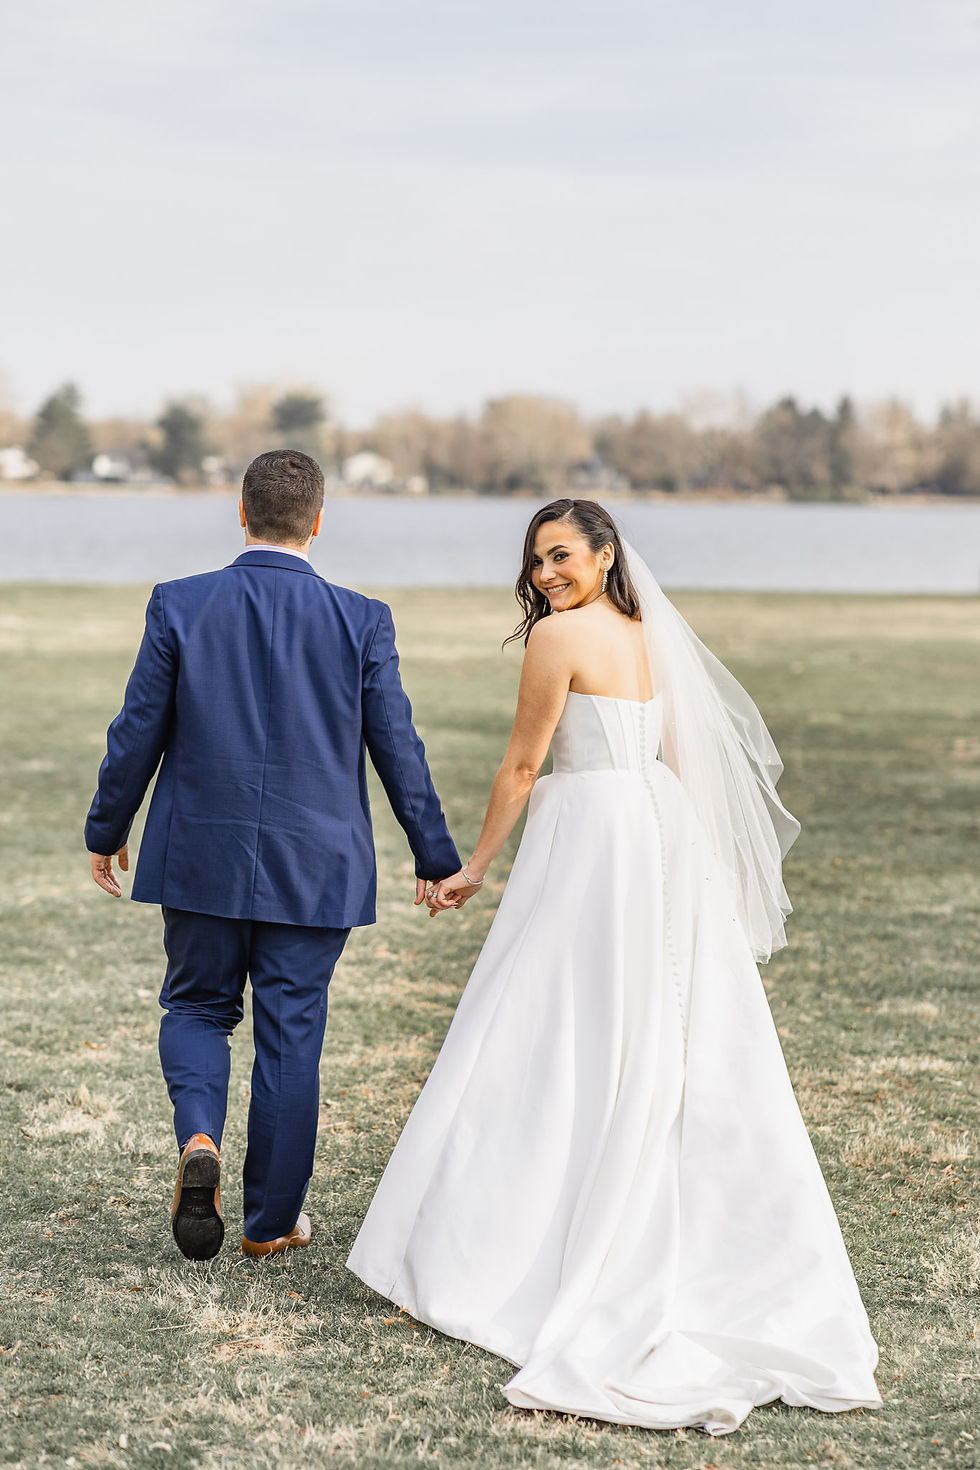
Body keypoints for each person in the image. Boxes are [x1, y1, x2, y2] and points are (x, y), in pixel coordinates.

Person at [347, 498, 882, 1436]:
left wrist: (472, 866)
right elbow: (679, 757)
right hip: (657, 828)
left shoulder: (561, 637)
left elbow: (522, 765)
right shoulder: (647, 631)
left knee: (551, 1022)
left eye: (562, 555)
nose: (547, 573)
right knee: (652, 1024)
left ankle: (513, 1243)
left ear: (604, 553)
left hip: (592, 835)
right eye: (537, 560)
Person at [85, 450, 459, 1261]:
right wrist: (433, 854)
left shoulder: (180, 603)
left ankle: (198, 1141)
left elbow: (135, 730)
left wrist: (106, 827)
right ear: (318, 521)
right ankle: (269, 1224)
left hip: (199, 855)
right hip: (315, 865)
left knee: (196, 1008)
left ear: (241, 511)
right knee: (292, 1037)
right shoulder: (362, 618)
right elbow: (398, 746)